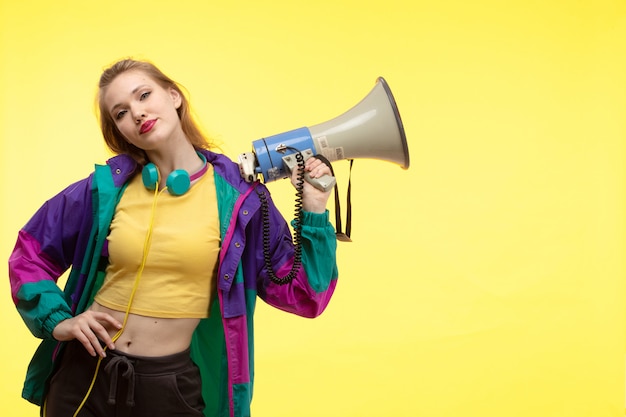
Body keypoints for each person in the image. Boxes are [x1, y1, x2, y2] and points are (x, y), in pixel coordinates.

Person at [8, 58, 339, 417]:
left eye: (144, 95)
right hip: (83, 378)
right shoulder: (105, 190)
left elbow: (306, 295)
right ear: (119, 130)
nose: (136, 113)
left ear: (174, 96)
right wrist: (57, 320)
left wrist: (314, 210)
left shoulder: (240, 200)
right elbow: (29, 253)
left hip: (168, 388)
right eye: (120, 112)